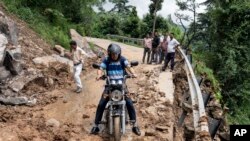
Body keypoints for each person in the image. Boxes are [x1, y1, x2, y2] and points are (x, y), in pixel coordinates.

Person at [90, 43, 141, 136]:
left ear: (119, 53)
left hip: (122, 87)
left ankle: (134, 124)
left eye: (116, 54)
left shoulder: (122, 59)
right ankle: (96, 125)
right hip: (109, 87)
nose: (115, 56)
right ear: (109, 54)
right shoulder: (106, 60)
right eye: (113, 54)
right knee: (101, 104)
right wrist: (99, 75)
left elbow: (129, 66)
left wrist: (134, 73)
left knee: (129, 103)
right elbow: (101, 68)